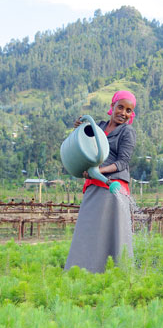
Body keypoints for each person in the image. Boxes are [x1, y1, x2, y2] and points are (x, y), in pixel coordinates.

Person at [65, 90, 137, 273]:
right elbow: (83, 145)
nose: (123, 113)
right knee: (88, 230)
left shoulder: (127, 132)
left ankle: (115, 273)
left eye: (128, 110)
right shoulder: (98, 126)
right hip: (93, 185)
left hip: (112, 188)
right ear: (112, 107)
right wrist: (78, 128)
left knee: (111, 233)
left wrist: (98, 171)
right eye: (120, 107)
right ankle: (82, 271)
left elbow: (122, 162)